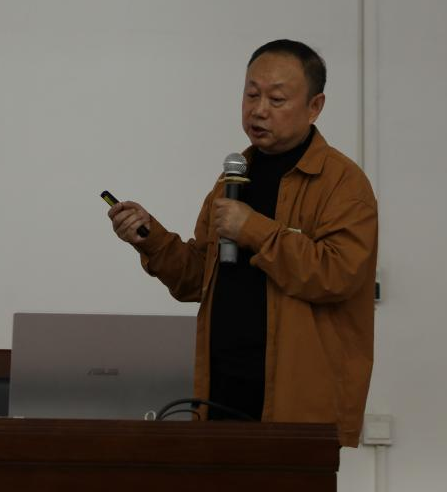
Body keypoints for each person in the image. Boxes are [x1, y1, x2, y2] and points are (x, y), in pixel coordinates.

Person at [107, 39, 377, 446]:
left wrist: (253, 229)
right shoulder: (233, 178)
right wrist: (151, 239)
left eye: (277, 99)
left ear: (315, 106)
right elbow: (198, 279)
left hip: (295, 405)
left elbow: (337, 275)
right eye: (251, 95)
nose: (259, 109)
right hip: (220, 394)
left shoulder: (342, 183)